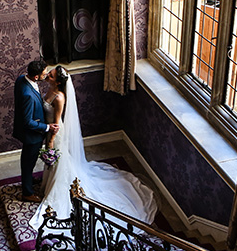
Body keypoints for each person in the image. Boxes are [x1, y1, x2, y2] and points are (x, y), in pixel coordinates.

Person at [29, 65, 157, 230]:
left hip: (55, 134)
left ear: (59, 83)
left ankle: (59, 188)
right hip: (47, 131)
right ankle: (49, 183)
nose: (47, 76)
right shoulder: (50, 91)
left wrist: (51, 141)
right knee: (55, 164)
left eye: (51, 76)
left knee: (59, 162)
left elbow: (56, 123)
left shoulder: (59, 97)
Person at [13, 61, 58, 203]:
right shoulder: (28, 95)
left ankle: (29, 180)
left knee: (29, 162)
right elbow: (28, 122)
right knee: (27, 163)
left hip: (31, 133)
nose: (46, 74)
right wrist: (47, 127)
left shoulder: (22, 78)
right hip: (32, 136)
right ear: (37, 77)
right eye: (45, 73)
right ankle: (27, 193)